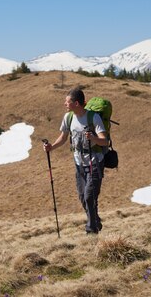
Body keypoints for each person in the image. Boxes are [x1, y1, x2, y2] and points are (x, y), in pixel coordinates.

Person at [43, 87, 109, 234]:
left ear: (77, 103)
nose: (65, 104)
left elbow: (105, 141)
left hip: (95, 162)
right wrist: (51, 147)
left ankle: (91, 231)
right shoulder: (69, 117)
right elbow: (64, 137)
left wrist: (93, 138)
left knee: (89, 197)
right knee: (82, 197)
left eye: (68, 101)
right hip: (79, 164)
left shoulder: (93, 118)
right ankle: (96, 221)